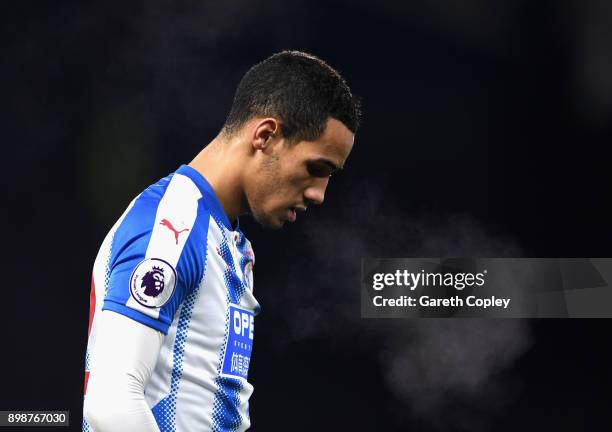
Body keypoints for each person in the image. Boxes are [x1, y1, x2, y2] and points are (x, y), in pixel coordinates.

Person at [82, 50, 360, 432]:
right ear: (265, 135)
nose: (319, 194)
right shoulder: (172, 226)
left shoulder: (228, 242)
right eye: (316, 169)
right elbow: (110, 401)